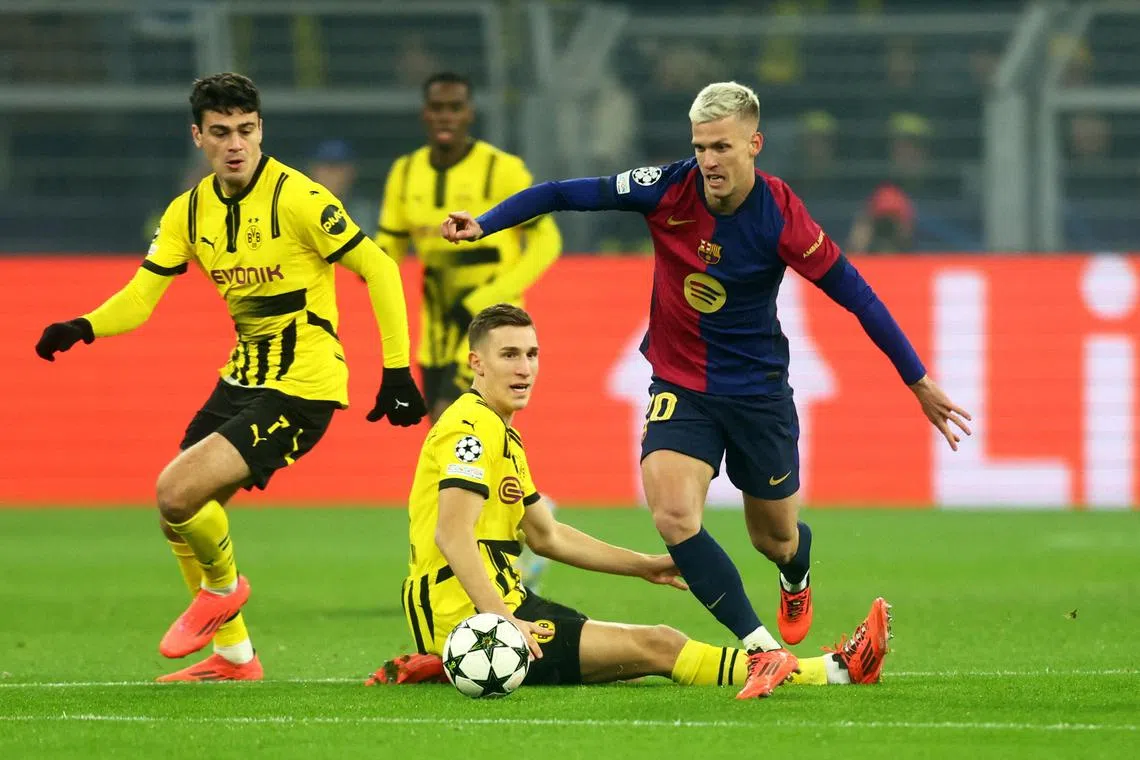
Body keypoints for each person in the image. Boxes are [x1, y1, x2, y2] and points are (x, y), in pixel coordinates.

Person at [440, 81, 970, 699]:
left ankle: (795, 572)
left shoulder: (782, 217)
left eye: (721, 147)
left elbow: (860, 297)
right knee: (672, 513)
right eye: (699, 147)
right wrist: (485, 223)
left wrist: (918, 381)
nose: (708, 161)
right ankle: (761, 648)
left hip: (757, 393)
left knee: (774, 537)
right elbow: (562, 193)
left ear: (754, 144)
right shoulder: (666, 187)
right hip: (681, 383)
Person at [33, 72, 427, 682]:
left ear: (261, 129)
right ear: (198, 137)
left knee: (175, 492)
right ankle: (236, 657)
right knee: (178, 513)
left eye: (246, 130)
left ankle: (223, 590)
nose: (235, 144)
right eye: (221, 132)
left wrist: (396, 370)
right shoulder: (188, 212)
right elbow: (140, 298)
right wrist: (83, 326)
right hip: (242, 379)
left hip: (303, 386)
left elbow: (378, 267)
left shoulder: (299, 198)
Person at [367, 304, 893, 699]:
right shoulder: (470, 426)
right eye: (509, 355)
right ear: (475, 363)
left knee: (630, 663)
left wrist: (644, 566)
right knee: (658, 644)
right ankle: (836, 672)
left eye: (532, 354)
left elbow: (547, 535)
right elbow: (452, 535)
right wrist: (501, 621)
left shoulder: (502, 432)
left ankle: (443, 664)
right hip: (469, 618)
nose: (524, 368)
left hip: (496, 606)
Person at [375, 71, 562, 422]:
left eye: (455, 107)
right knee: (447, 431)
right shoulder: (405, 172)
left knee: (454, 417)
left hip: (493, 321)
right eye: (437, 108)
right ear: (425, 114)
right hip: (437, 328)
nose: (446, 116)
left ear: (469, 113)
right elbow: (389, 247)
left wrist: (493, 294)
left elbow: (547, 241)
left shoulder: (502, 169)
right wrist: (356, 259)